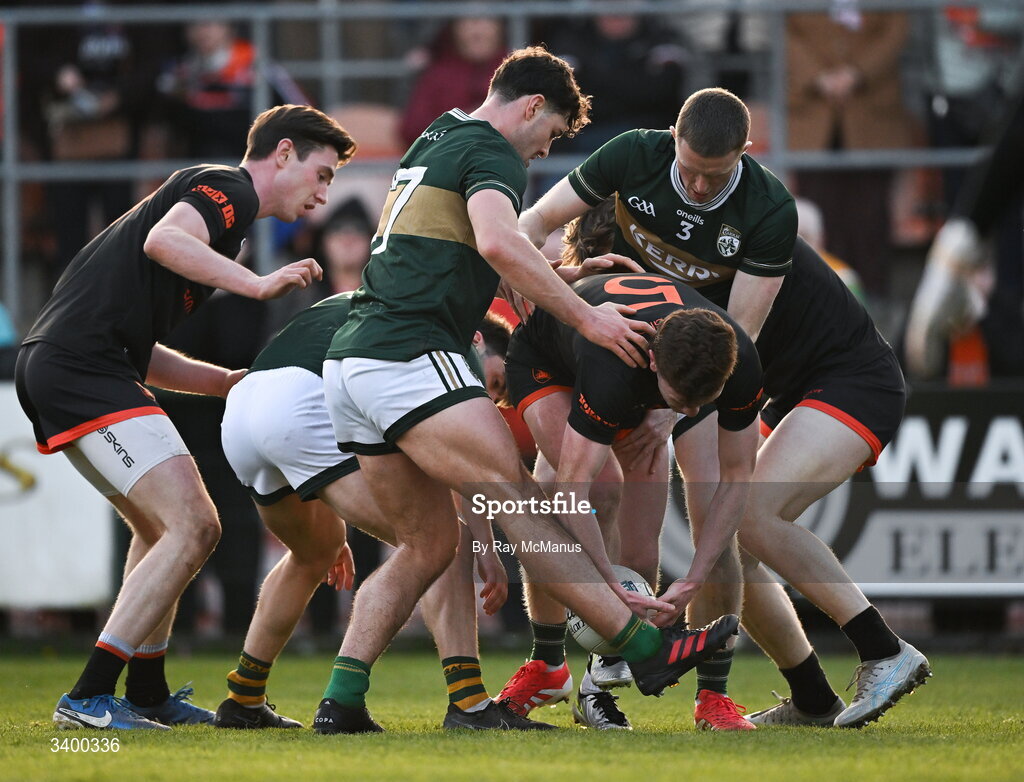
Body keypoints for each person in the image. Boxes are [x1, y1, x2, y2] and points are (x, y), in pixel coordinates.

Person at [314, 47, 739, 734]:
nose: (545, 152)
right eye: (552, 135)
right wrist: (587, 315)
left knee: (426, 544)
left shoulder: (439, 133)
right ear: (533, 107)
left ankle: (344, 699)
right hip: (410, 352)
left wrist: (565, 275)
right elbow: (497, 245)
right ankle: (647, 651)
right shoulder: (496, 153)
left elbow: (472, 250)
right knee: (521, 498)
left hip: (353, 362)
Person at [513, 87, 931, 730]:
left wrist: (666, 410)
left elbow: (731, 342)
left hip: (838, 376)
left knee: (749, 515)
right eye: (690, 171)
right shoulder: (633, 158)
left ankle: (879, 651)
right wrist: (558, 290)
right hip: (727, 362)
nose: (702, 187)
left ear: (747, 153)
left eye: (718, 174)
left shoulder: (766, 207)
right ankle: (813, 698)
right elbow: (529, 226)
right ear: (672, 139)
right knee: (726, 523)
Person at [15, 104, 356, 730]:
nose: (324, 192)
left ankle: (145, 691)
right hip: (80, 369)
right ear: (283, 154)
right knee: (196, 525)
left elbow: (141, 352)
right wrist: (257, 284)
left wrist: (224, 382)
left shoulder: (229, 218)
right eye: (324, 173)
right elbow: (163, 240)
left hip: (86, 367)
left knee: (161, 529)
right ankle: (87, 696)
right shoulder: (226, 187)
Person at [215, 292, 544, 730]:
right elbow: (461, 461)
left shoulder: (375, 296)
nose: (488, 396)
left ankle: (243, 699)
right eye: (496, 383)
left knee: (316, 551)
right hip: (299, 406)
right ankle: (464, 703)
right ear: (479, 340)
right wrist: (486, 547)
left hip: (243, 410)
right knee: (441, 541)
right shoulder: (453, 334)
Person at [498, 272, 762, 730]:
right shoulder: (614, 369)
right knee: (597, 489)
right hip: (547, 360)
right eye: (683, 401)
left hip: (640, 373)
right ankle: (548, 665)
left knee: (641, 554)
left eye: (704, 402)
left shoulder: (742, 363)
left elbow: (738, 477)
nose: (693, 414)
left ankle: (599, 686)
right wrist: (607, 590)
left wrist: (694, 579)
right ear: (656, 364)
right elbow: (572, 491)